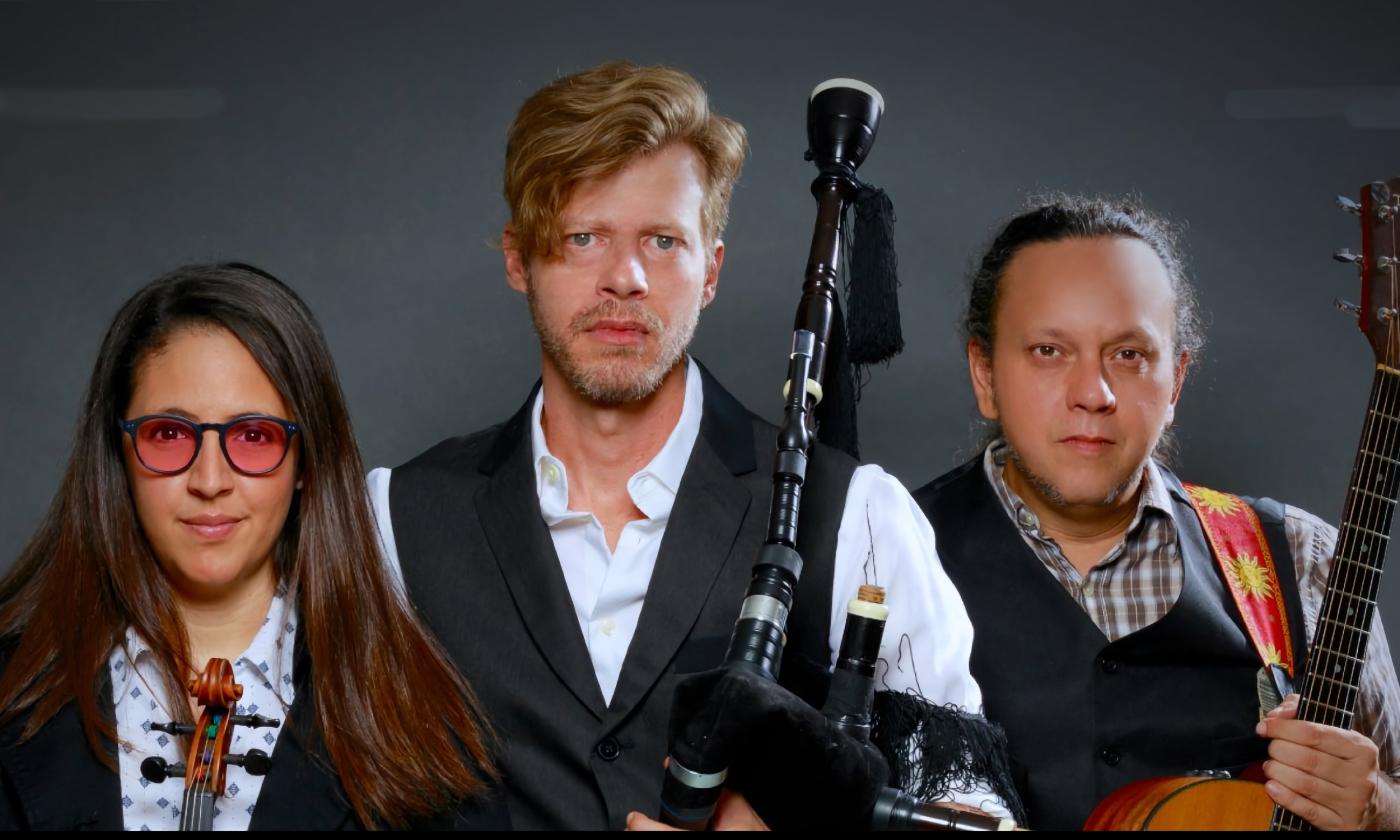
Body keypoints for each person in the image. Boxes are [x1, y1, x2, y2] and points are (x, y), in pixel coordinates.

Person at [367, 61, 1002, 830]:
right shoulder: (395, 518)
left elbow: (974, 813)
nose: (625, 276)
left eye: (664, 241)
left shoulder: (858, 515)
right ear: (517, 259)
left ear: (712, 270)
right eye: (583, 236)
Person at [913, 195, 1400, 830]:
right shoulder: (887, 549)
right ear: (985, 375)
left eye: (1129, 354)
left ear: (1175, 383)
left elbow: (1390, 781)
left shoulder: (1301, 558)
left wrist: (1378, 806)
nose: (1094, 394)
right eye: (1048, 351)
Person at [0, 264, 506, 830]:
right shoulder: (9, 681)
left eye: (253, 436)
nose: (210, 479)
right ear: (118, 454)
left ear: (306, 462)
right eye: (168, 434)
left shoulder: (421, 720)